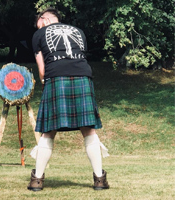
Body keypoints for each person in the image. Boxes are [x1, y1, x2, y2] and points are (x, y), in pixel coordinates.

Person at [27, 7, 110, 191]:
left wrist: (44, 83)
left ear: (44, 20)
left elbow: (42, 69)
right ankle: (99, 180)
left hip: (56, 78)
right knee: (89, 131)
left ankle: (37, 181)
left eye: (38, 24)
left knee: (48, 131)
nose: (37, 27)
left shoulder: (39, 34)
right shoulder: (78, 31)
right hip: (83, 77)